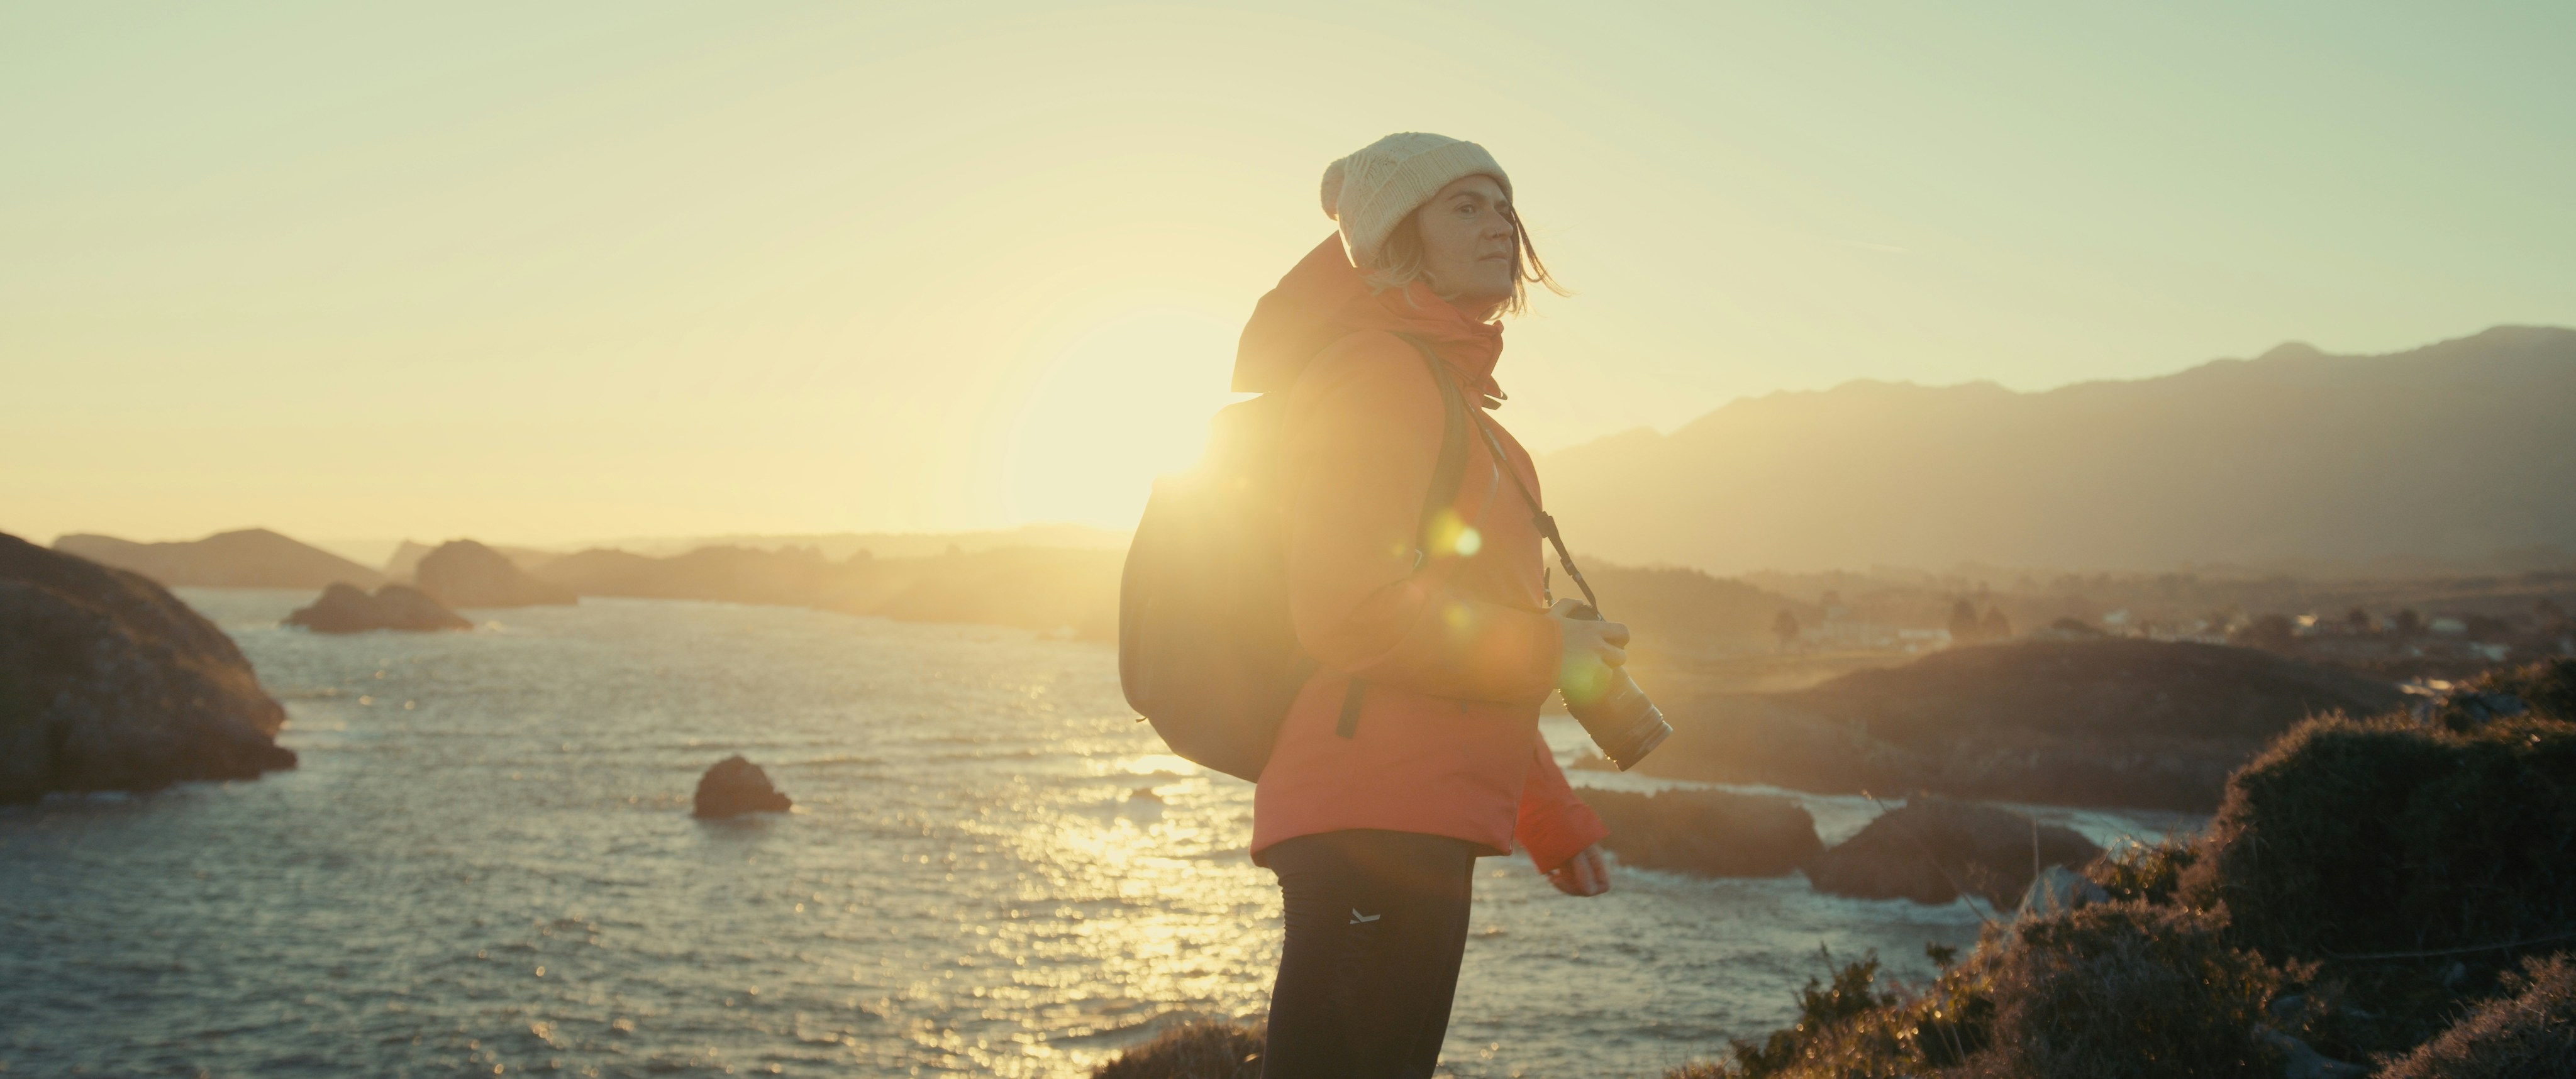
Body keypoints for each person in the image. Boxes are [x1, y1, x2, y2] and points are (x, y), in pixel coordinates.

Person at [1231, 131, 1629, 1078]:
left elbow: (1463, 652)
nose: (1499, 223)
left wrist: (1551, 820)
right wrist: (1552, 652)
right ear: (1398, 237)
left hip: (1422, 812)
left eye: (1503, 205)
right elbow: (1352, 611)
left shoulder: (1469, 419)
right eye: (1465, 206)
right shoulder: (1375, 377)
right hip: (1369, 814)